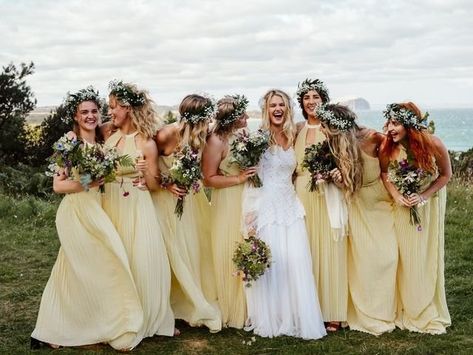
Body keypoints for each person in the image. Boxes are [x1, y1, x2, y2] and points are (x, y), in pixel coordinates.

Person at [31, 87, 144, 351]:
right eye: (84, 112)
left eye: (94, 110)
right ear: (75, 115)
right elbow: (58, 186)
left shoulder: (104, 136)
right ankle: (57, 328)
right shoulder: (71, 140)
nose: (90, 116)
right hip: (77, 212)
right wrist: (89, 181)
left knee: (82, 268)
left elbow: (131, 123)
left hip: (98, 209)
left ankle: (75, 325)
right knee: (99, 264)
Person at [242, 89, 326, 340]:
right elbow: (252, 178)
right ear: (266, 110)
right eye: (272, 105)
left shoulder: (294, 132)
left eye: (281, 105)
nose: (277, 109)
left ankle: (297, 315)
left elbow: (318, 127)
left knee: (296, 260)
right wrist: (250, 213)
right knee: (273, 262)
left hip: (290, 204)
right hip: (266, 204)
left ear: (288, 108)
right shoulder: (258, 138)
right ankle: (272, 316)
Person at [101, 80, 175, 339]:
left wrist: (147, 174)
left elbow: (154, 186)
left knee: (140, 259)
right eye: (110, 107)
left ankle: (146, 314)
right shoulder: (111, 137)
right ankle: (117, 313)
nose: (110, 112)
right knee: (115, 260)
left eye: (114, 107)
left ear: (129, 109)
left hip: (136, 205)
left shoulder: (146, 142)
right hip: (110, 204)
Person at [318, 104, 399, 335]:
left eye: (326, 127)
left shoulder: (375, 138)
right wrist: (337, 179)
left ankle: (386, 308)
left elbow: (388, 171)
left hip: (380, 200)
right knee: (362, 260)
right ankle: (363, 309)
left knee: (387, 257)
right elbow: (348, 183)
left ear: (337, 126)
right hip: (356, 202)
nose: (324, 131)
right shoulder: (333, 145)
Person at [379, 102, 451, 334]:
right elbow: (384, 173)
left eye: (396, 123)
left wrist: (423, 197)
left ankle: (422, 305)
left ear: (410, 124)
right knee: (405, 256)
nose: (390, 128)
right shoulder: (387, 147)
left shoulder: (434, 144)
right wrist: (397, 195)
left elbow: (445, 175)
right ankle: (403, 306)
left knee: (422, 255)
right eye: (388, 122)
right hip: (401, 208)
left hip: (427, 205)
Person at [153, 94, 222, 332]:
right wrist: (167, 183)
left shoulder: (204, 135)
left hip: (192, 199)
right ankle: (169, 304)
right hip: (166, 200)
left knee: (194, 246)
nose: (209, 121)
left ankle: (191, 300)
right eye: (206, 116)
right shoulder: (165, 134)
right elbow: (149, 166)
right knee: (172, 248)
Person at [293, 79, 348, 331]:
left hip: (327, 193)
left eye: (316, 97)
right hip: (301, 193)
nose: (311, 101)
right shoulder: (296, 129)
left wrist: (334, 173)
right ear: (301, 103)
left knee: (330, 248)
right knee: (307, 250)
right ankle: (308, 306)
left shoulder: (332, 129)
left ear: (323, 100)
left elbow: (346, 158)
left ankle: (333, 310)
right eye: (307, 97)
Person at [202, 95, 256, 329]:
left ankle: (250, 307)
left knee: (247, 245)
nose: (246, 117)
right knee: (228, 247)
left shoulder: (243, 135)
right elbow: (208, 179)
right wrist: (238, 178)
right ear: (232, 117)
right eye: (242, 113)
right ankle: (230, 307)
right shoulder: (216, 141)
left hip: (248, 197)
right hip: (227, 200)